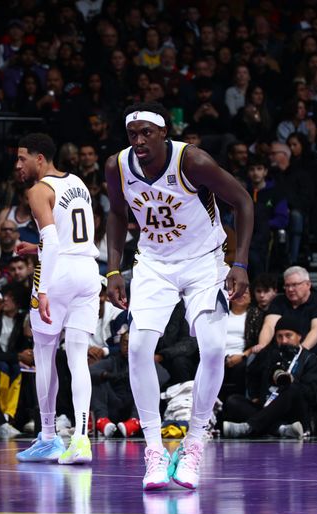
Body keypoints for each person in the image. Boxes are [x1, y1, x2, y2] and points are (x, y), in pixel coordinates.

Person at [105, 101, 253, 490]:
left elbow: (243, 201)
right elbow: (118, 214)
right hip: (154, 262)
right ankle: (154, 450)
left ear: (164, 134)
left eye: (146, 133)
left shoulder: (194, 161)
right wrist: (114, 269)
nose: (138, 140)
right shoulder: (116, 166)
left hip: (204, 261)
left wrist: (241, 263)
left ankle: (194, 444)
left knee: (213, 347)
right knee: (137, 348)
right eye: (132, 133)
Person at [13, 132, 101, 465]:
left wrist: (45, 287)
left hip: (58, 274)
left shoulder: (38, 190)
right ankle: (80, 439)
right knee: (78, 357)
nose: (17, 165)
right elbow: (73, 235)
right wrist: (36, 248)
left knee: (44, 352)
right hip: (88, 271)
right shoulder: (78, 183)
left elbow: (51, 239)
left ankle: (48, 437)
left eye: (22, 158)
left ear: (40, 159)